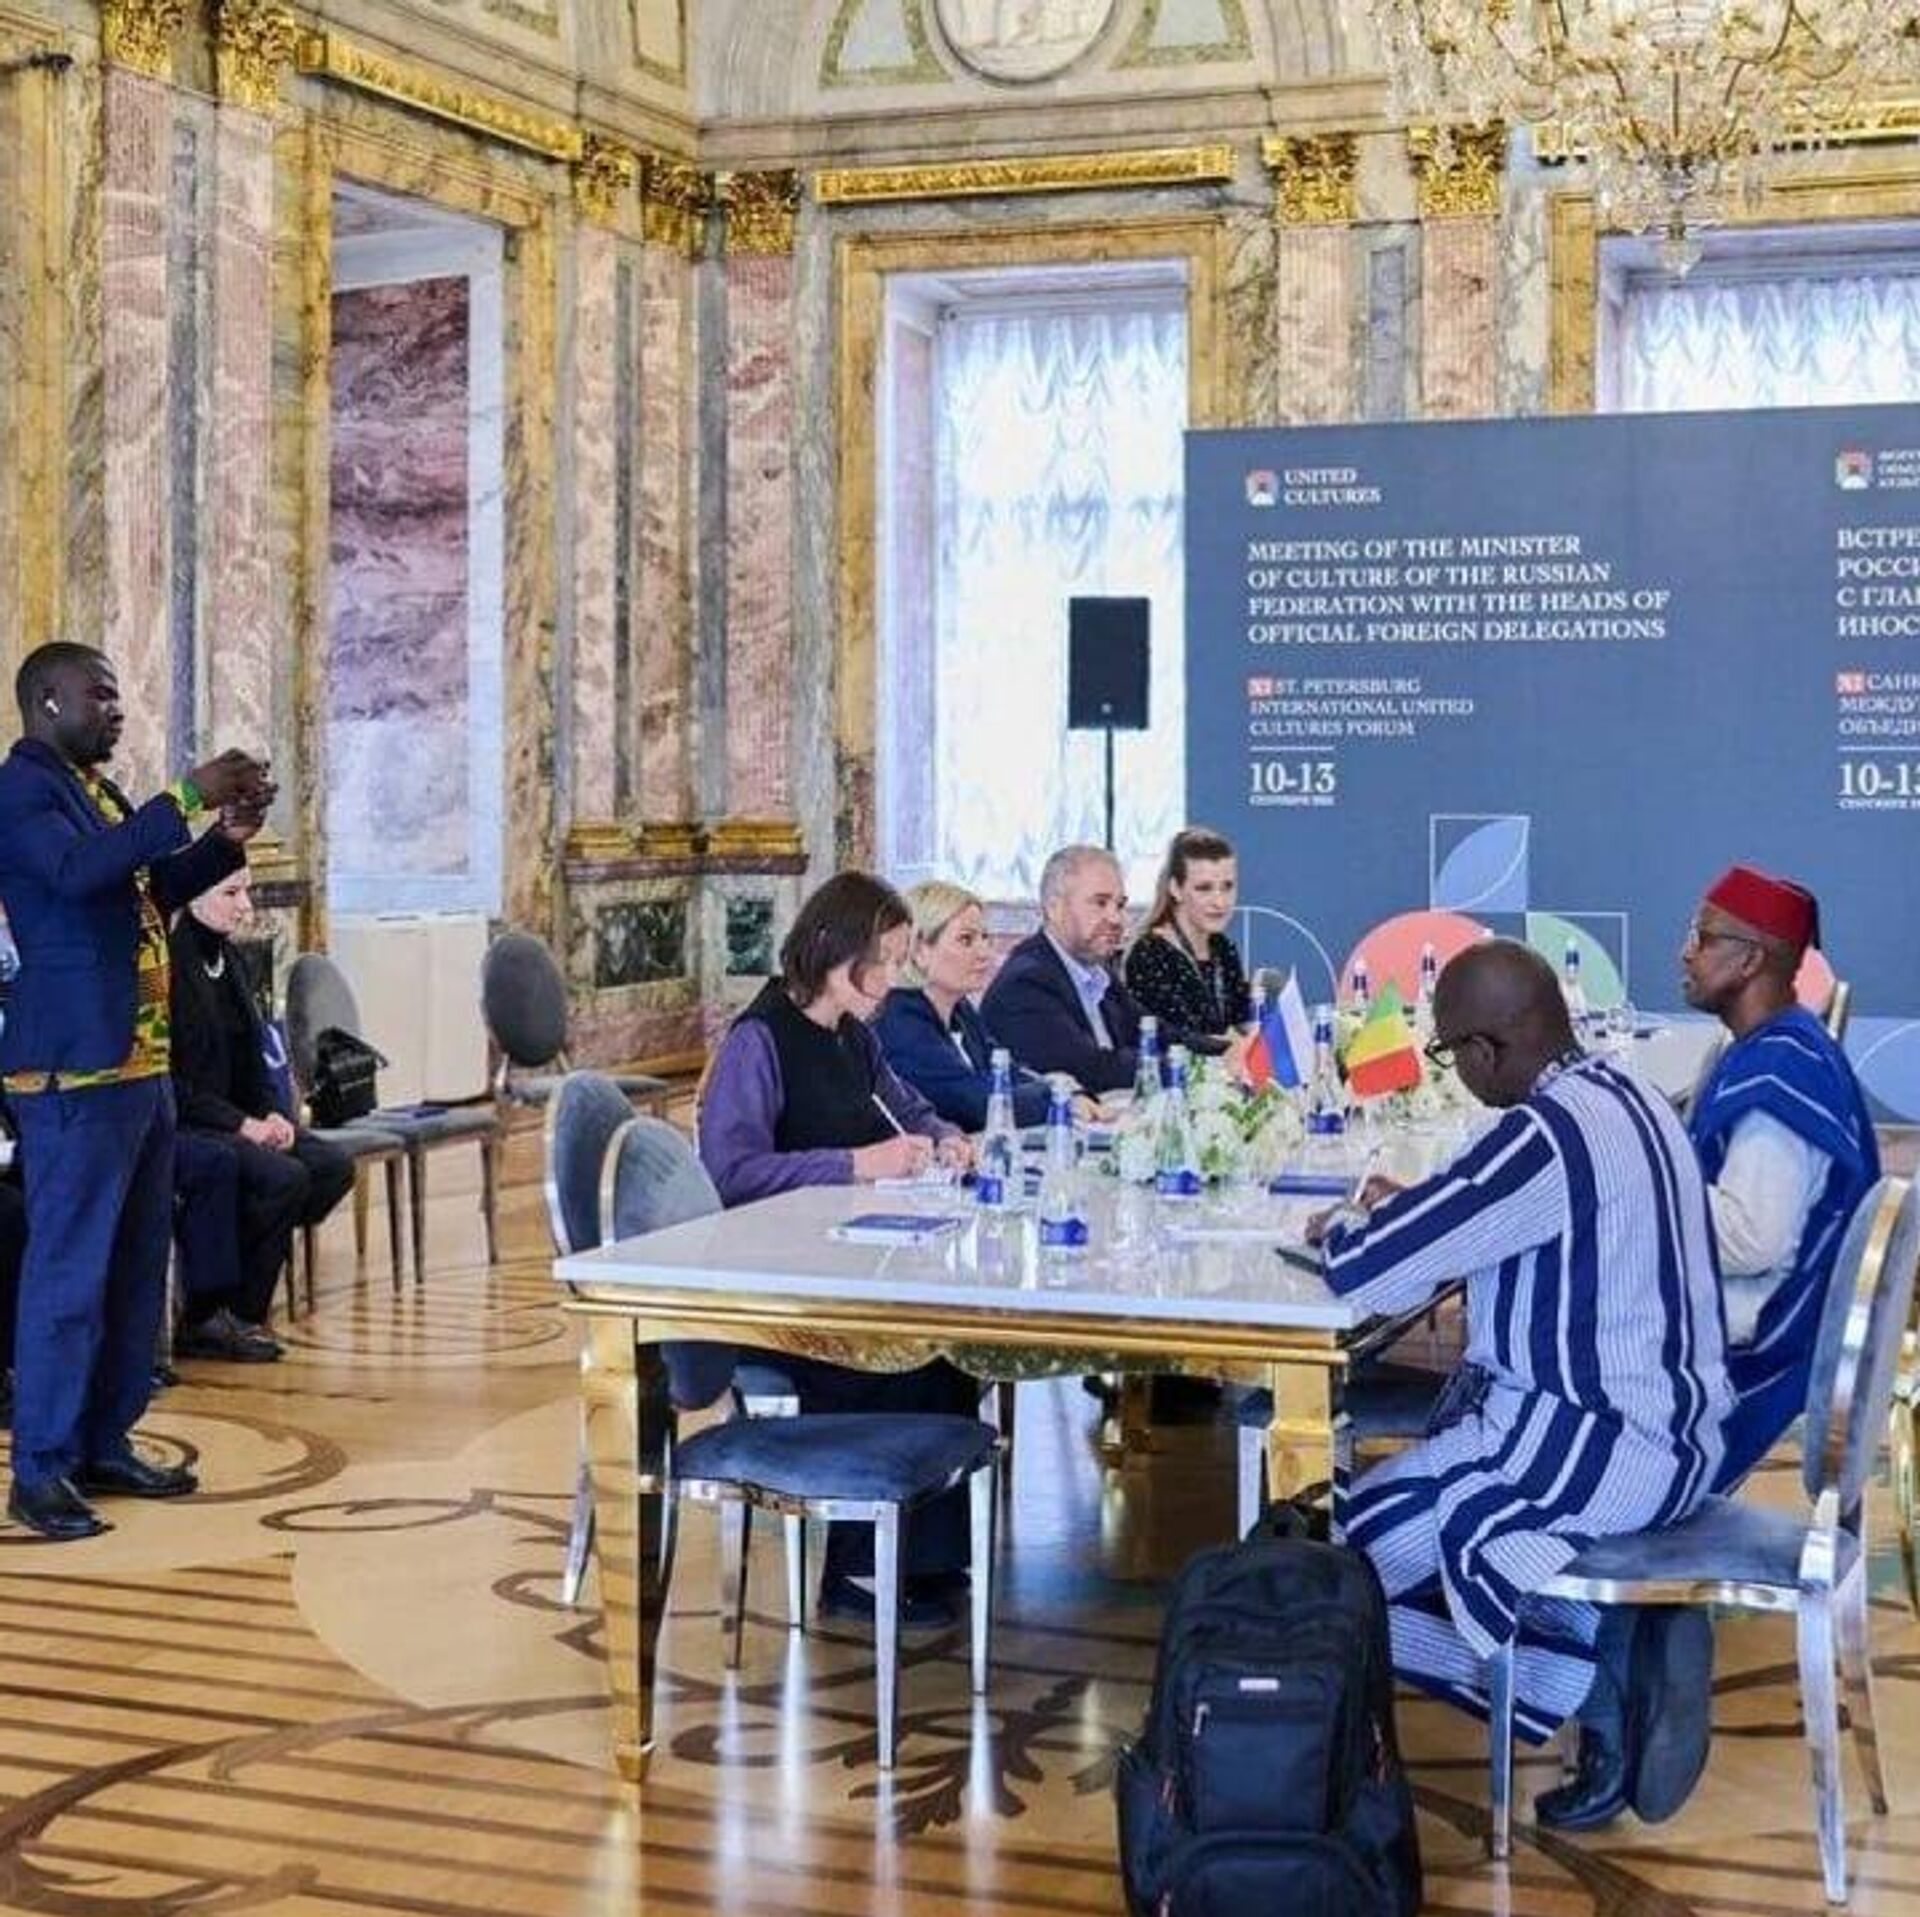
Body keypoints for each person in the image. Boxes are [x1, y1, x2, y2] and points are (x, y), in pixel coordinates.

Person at [1306, 939, 1732, 1832]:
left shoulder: (1540, 1136)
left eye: (1448, 1052)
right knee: (1409, 1537)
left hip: (1594, 1446)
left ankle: (1595, 1685)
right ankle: (1614, 1641)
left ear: (1485, 1050)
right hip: (1682, 1434)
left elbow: (1373, 1272)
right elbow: (1483, 1215)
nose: (1454, 1072)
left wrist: (1344, 1222)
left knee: (1338, 1567)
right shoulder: (1629, 1096)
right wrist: (1422, 1208)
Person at [0, 641, 270, 1540]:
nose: (116, 710)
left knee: (132, 1270)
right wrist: (188, 793)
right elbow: (78, 876)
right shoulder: (22, 791)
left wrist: (221, 841)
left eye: (119, 697)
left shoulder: (99, 793)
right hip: (74, 1075)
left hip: (140, 1070)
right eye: (100, 696)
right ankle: (41, 1469)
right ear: (48, 701)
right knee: (69, 1274)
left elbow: (149, 887)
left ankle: (104, 1442)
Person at [699, 871, 980, 1624]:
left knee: (948, 1348)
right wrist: (855, 1164)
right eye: (882, 960)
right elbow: (732, 1172)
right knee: (895, 1360)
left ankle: (924, 1557)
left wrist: (944, 1139)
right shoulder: (759, 1040)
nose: (891, 978)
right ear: (835, 953)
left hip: (850, 1262)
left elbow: (908, 1108)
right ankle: (857, 1571)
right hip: (783, 1287)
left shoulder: (855, 1034)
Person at [1680, 864, 1878, 1490]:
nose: (1685, 953)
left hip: (1748, 1347)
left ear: (1749, 960)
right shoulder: (1775, 1043)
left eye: (1703, 937)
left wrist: (1640, 1187)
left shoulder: (1777, 1080)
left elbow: (1750, 1240)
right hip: (1747, 1316)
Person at [169, 865, 353, 1360]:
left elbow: (257, 1057)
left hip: (243, 1115)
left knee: (330, 1166)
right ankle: (218, 1313)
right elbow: (174, 1085)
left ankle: (243, 1290)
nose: (245, 907)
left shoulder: (229, 959)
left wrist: (274, 1113)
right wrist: (243, 1125)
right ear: (194, 899)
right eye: (231, 893)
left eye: (246, 892)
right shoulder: (170, 968)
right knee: (281, 1179)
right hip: (195, 1121)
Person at [876, 879, 1099, 1130]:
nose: (984, 953)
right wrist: (1057, 1100)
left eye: (985, 938)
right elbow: (972, 1102)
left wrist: (1063, 1091)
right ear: (919, 951)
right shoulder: (898, 1017)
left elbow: (1006, 1070)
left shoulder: (960, 1010)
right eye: (966, 940)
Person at [980, 845, 1150, 1095]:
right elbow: (1092, 1071)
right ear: (1054, 908)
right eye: (1100, 903)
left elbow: (1152, 1031)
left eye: (1120, 905)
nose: (1116, 919)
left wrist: (1210, 1049)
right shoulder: (1025, 982)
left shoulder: (1097, 972)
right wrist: (1178, 1063)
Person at [1123, 827, 1252, 1053]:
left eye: (1227, 887)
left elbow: (1242, 1024)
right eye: (1204, 888)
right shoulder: (1149, 954)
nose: (1219, 902)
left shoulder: (1224, 948)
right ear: (1176, 889)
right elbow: (1171, 1041)